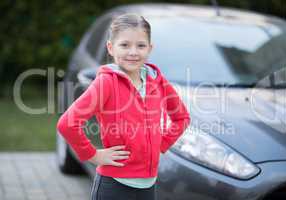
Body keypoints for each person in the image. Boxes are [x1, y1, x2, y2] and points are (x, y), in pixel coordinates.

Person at [56, 13, 191, 200]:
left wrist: (161, 144)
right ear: (111, 48)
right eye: (125, 45)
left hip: (148, 186)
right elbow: (67, 124)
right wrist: (93, 155)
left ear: (150, 49)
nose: (133, 52)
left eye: (141, 45)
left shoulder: (157, 81)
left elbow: (181, 117)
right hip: (113, 185)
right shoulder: (106, 83)